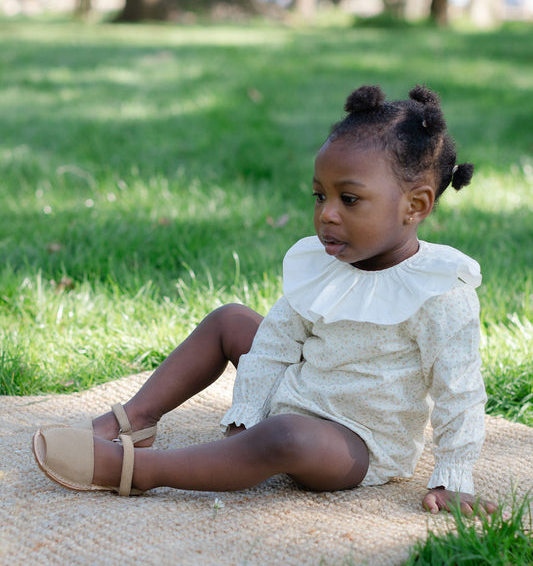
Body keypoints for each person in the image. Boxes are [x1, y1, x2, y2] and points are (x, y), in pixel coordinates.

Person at [33, 84, 496, 517]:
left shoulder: (439, 292)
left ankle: (135, 471)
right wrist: (246, 415)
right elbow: (275, 341)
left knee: (284, 436)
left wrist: (453, 476)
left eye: (349, 200)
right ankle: (136, 419)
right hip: (300, 392)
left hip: (355, 443)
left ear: (415, 205)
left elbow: (460, 392)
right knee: (231, 320)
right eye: (319, 196)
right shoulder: (323, 262)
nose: (326, 214)